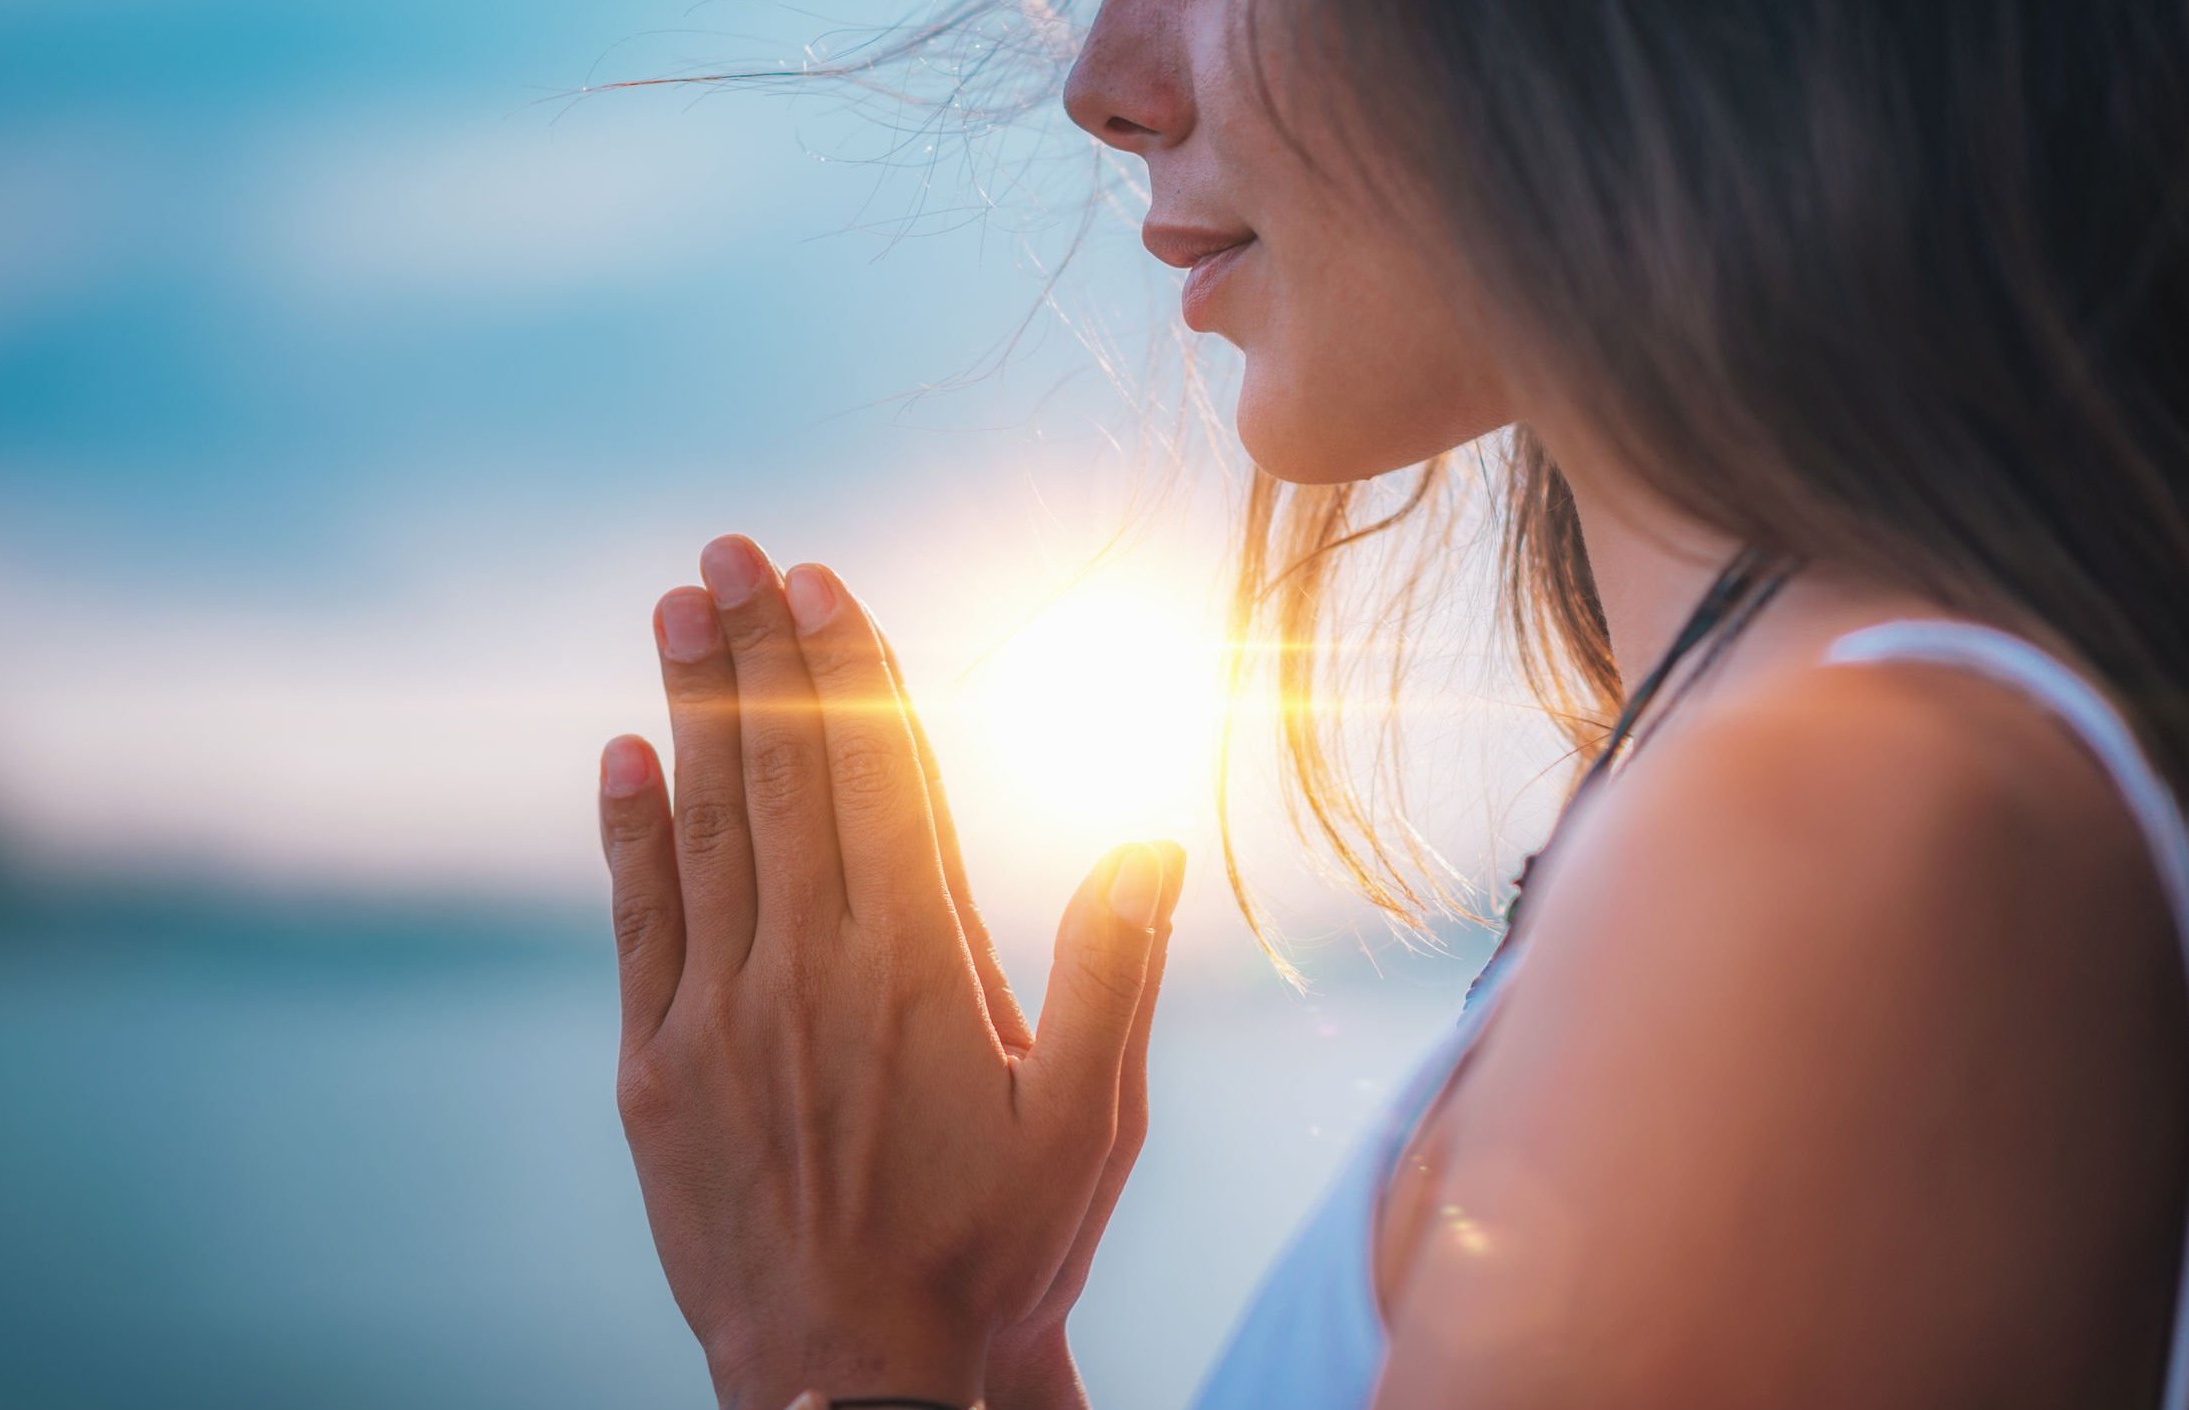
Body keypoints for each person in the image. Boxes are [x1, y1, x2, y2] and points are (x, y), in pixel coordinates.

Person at [593, 1, 2189, 1405]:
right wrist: (977, 1347)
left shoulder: (1849, 847)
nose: (1104, 78)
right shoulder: (1780, 803)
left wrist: (846, 1351)